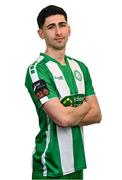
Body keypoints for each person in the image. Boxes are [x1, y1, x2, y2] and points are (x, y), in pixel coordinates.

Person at [25, 5, 102, 180]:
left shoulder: (80, 68)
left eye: (62, 25)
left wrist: (70, 112)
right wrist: (83, 106)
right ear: (41, 33)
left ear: (69, 29)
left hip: (77, 164)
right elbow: (62, 118)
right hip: (50, 168)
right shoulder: (37, 71)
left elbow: (97, 115)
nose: (58, 32)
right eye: (51, 27)